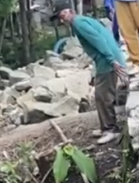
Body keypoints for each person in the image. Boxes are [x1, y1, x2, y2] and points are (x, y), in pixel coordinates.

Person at [55, 8, 129, 144]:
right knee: (101, 96)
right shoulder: (82, 21)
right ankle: (106, 127)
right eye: (61, 18)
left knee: (103, 96)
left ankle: (110, 130)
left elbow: (98, 40)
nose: (63, 19)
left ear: (70, 11)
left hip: (107, 62)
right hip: (106, 60)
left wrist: (111, 60)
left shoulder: (79, 23)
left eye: (63, 14)